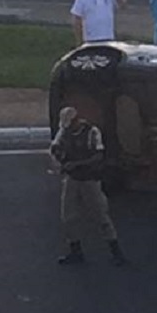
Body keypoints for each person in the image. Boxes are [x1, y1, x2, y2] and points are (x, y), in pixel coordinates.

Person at [49, 107, 126, 266]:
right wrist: (59, 158)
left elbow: (98, 156)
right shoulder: (64, 132)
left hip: (90, 180)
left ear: (77, 120)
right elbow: (55, 147)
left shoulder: (92, 132)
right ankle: (75, 251)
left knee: (101, 216)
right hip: (72, 180)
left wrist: (75, 164)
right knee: (68, 217)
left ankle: (116, 251)